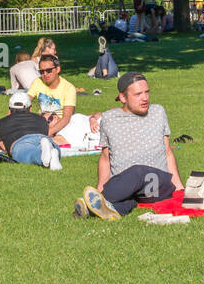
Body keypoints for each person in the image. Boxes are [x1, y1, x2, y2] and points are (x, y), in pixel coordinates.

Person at [75, 72, 183, 220]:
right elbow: (106, 158)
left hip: (157, 183)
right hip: (125, 186)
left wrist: (179, 188)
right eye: (138, 94)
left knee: (138, 171)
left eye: (147, 92)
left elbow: (168, 152)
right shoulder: (109, 118)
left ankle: (95, 202)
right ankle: (104, 210)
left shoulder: (157, 112)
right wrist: (100, 185)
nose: (145, 98)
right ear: (123, 98)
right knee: (128, 199)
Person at [26, 54, 95, 150]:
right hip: (44, 123)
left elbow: (66, 117)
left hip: (63, 126)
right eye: (41, 71)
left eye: (49, 70)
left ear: (57, 69)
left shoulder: (68, 88)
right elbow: (24, 103)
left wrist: (50, 132)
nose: (45, 74)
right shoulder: (38, 82)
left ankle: (46, 144)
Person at [0, 92, 63, 169]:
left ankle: (42, 155)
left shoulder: (2, 122)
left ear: (9, 109)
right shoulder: (41, 119)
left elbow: (3, 147)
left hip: (20, 142)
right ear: (30, 108)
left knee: (29, 155)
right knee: (51, 146)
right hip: (41, 138)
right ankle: (52, 151)